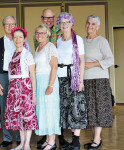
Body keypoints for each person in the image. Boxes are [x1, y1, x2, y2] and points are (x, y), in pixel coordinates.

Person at [0, 15, 31, 148]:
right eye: (7, 24)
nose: (9, 27)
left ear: (16, 26)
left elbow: (30, 63)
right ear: (3, 27)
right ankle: (7, 137)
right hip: (3, 76)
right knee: (6, 108)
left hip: (20, 78)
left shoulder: (22, 40)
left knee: (21, 108)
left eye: (12, 24)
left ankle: (21, 139)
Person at [34, 8, 67, 148]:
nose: (40, 35)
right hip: (40, 82)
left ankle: (52, 142)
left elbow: (54, 67)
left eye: (42, 33)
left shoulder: (50, 47)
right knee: (44, 111)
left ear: (47, 34)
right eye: (37, 33)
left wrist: (51, 85)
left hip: (49, 81)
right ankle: (47, 140)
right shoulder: (37, 48)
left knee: (51, 111)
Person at [56, 12, 87, 150]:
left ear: (71, 24)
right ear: (59, 25)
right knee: (64, 108)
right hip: (60, 76)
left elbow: (82, 60)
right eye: (62, 22)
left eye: (67, 22)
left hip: (73, 77)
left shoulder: (77, 39)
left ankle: (76, 141)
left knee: (76, 108)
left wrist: (80, 79)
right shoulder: (58, 40)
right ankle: (65, 139)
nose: (64, 25)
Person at [83, 15, 114, 150]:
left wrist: (93, 64)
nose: (90, 26)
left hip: (100, 80)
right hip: (86, 81)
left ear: (98, 26)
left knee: (99, 110)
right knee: (90, 111)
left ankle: (96, 139)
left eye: (93, 24)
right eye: (88, 23)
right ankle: (96, 138)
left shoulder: (102, 41)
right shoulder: (81, 41)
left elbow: (110, 60)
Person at [5, 27, 38, 150]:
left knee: (27, 116)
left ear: (24, 39)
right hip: (14, 88)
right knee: (18, 117)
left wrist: (33, 94)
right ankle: (21, 143)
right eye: (15, 37)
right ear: (12, 39)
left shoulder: (27, 54)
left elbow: (33, 75)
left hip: (25, 87)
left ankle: (27, 144)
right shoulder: (12, 54)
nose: (17, 39)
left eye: (20, 37)